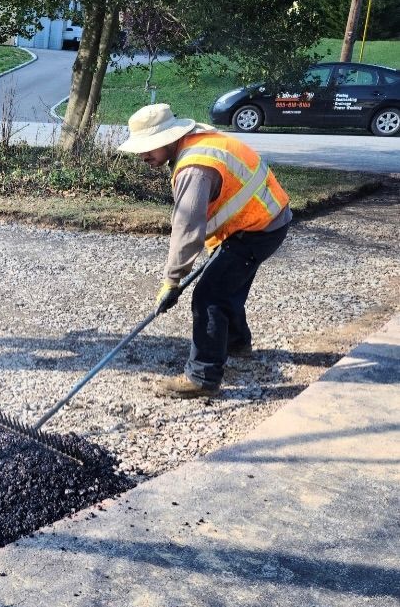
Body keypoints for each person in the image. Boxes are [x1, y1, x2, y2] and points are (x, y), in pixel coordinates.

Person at [117, 103, 291, 398]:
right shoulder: (198, 142)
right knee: (227, 283)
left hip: (258, 228)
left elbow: (186, 231)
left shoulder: (194, 169)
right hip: (265, 219)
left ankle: (202, 378)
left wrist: (172, 281)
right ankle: (235, 342)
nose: (144, 156)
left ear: (170, 138)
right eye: (141, 149)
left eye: (149, 148)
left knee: (209, 295)